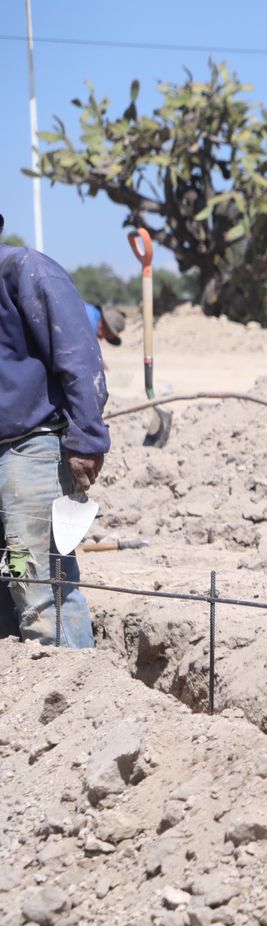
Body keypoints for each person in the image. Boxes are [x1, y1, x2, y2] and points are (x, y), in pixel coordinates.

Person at [0, 212, 111, 647]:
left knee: (40, 585)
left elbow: (78, 357)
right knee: (12, 575)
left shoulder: (24, 271)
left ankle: (70, 695)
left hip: (30, 452)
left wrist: (86, 438)